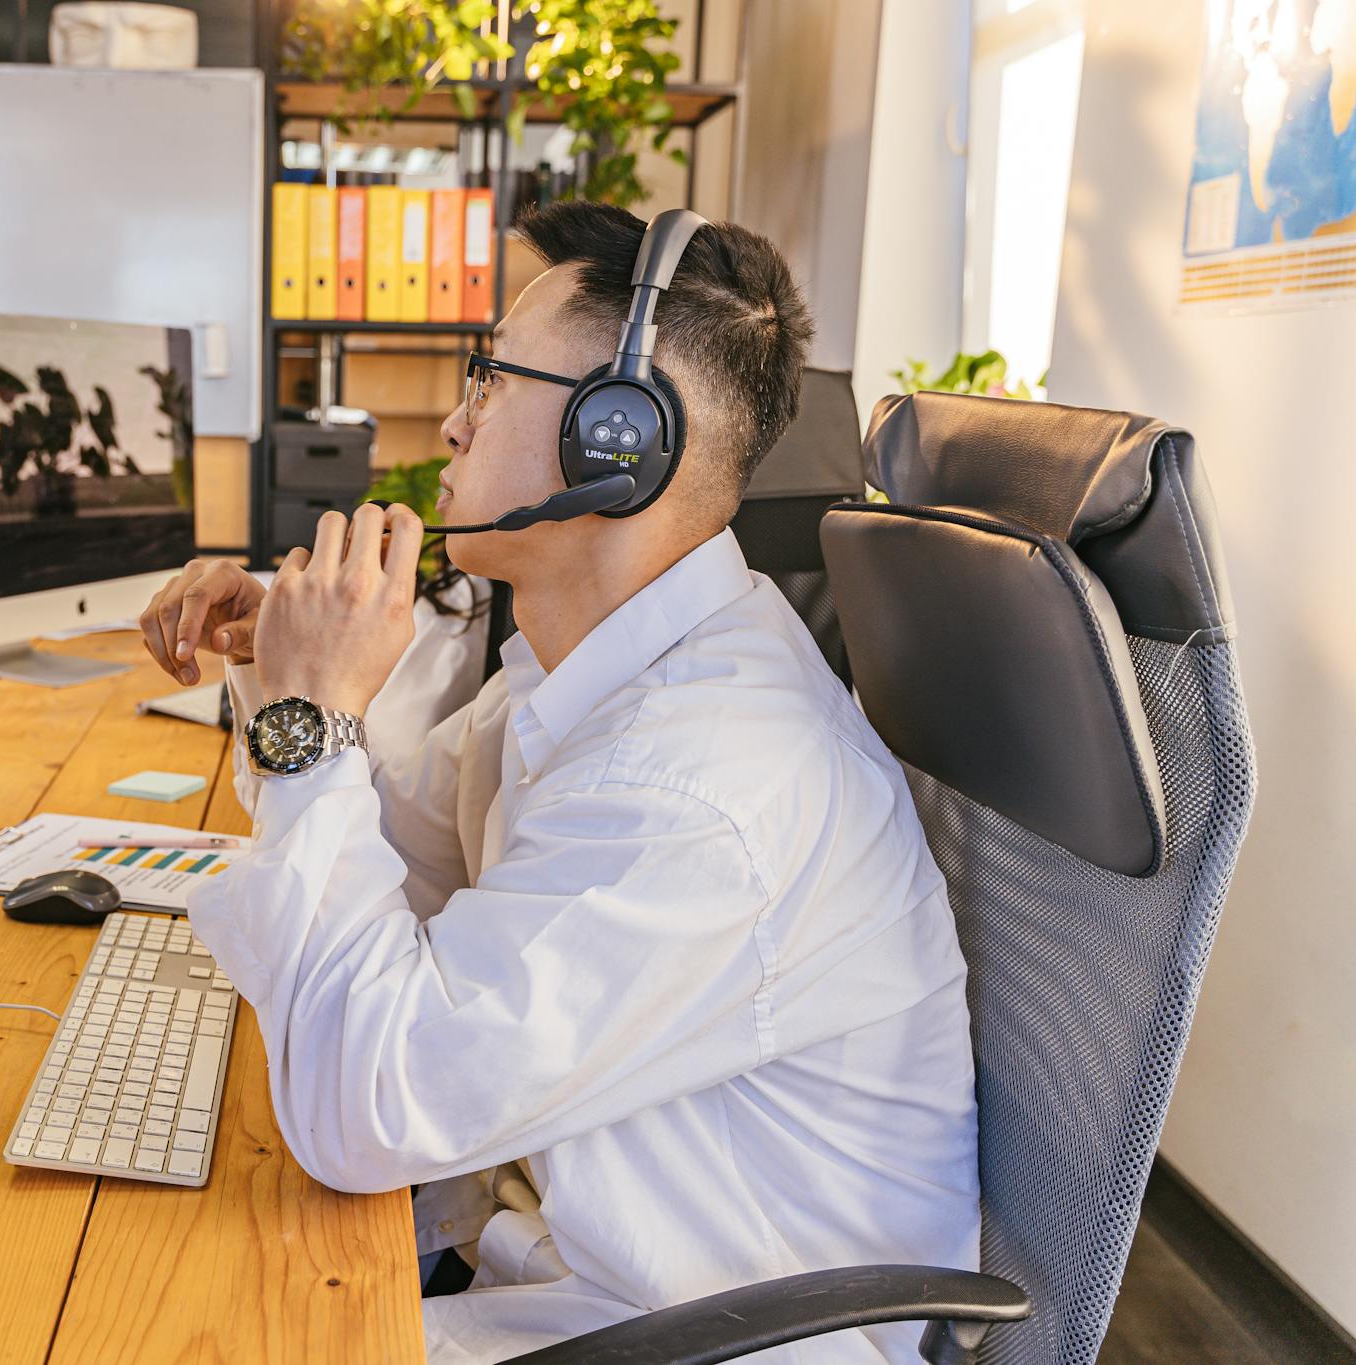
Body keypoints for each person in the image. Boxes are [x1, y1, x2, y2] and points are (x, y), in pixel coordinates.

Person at [136, 203, 980, 1363]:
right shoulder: (596, 666)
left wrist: (314, 716)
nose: (450, 421)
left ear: (614, 441)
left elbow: (362, 1111)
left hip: (690, 1332)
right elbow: (420, 848)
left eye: (488, 379)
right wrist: (279, 670)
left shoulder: (701, 781)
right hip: (591, 1277)